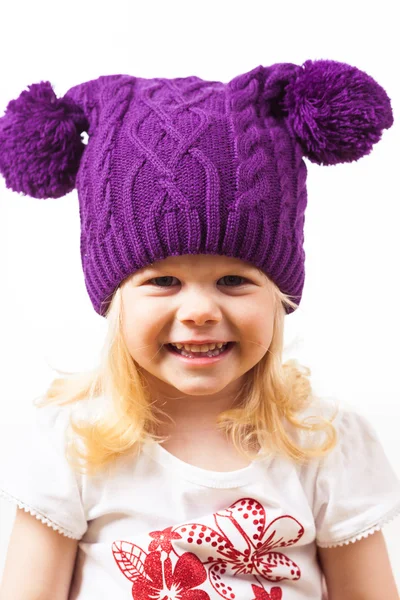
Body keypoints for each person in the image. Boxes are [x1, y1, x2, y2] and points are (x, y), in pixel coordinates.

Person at [0, 60, 399, 600]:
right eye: (162, 280)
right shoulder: (75, 443)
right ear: (114, 301)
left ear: (279, 297)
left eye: (234, 280)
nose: (199, 311)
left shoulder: (323, 443)